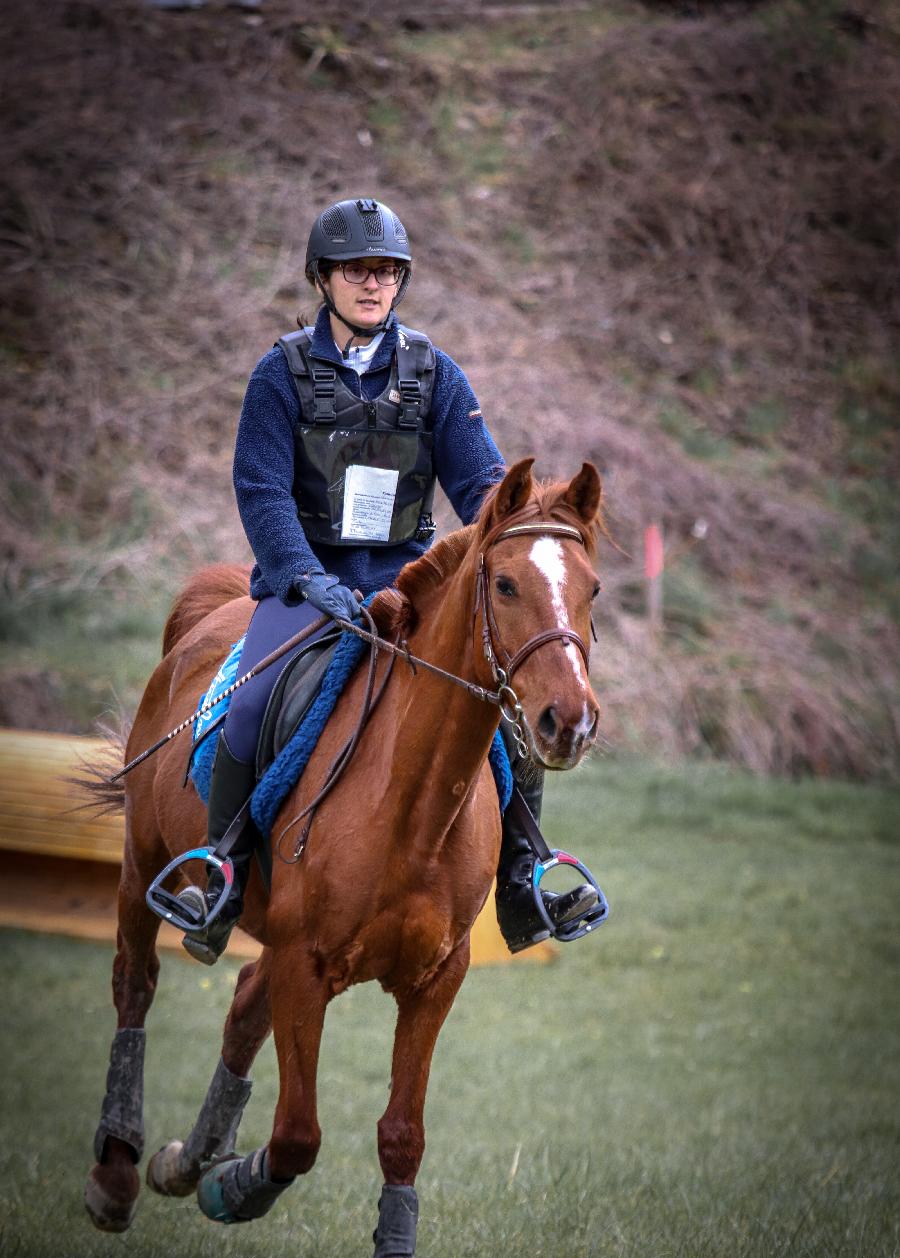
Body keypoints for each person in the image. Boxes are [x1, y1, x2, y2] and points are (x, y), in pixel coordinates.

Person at [178, 196, 600, 964]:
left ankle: (522, 878)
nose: (374, 284)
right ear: (323, 278)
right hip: (309, 585)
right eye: (357, 270)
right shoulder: (280, 374)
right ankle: (223, 873)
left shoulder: (437, 376)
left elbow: (481, 485)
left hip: (411, 587)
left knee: (504, 710)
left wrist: (517, 533)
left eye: (387, 272)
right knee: (249, 706)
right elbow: (263, 492)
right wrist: (305, 577)